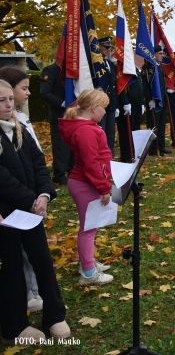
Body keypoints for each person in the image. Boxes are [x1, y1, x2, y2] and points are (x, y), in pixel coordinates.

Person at [0, 79, 70, 343]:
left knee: (42, 260)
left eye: (10, 99)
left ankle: (54, 315)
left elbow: (39, 163)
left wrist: (43, 194)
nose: (9, 104)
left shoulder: (20, 128)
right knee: (12, 267)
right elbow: (3, 178)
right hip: (6, 215)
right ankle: (15, 326)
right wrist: (31, 199)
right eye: (2, 100)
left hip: (31, 212)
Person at [58, 89, 115, 285]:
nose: (105, 112)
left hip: (85, 181)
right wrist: (103, 187)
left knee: (91, 225)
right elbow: (92, 163)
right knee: (88, 228)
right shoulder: (86, 131)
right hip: (86, 184)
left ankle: (88, 262)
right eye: (103, 108)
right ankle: (89, 272)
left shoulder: (87, 127)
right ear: (92, 109)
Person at [39, 63, 73, 183]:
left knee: (73, 143)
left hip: (74, 113)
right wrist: (62, 103)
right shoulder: (51, 70)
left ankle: (72, 171)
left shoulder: (73, 67)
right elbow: (45, 92)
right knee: (60, 145)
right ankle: (59, 174)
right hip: (59, 113)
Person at [142, 46, 172, 156]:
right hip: (153, 101)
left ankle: (161, 146)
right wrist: (150, 99)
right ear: (154, 54)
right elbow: (146, 85)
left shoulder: (159, 66)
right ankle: (153, 149)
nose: (162, 55)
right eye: (160, 53)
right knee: (153, 125)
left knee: (161, 125)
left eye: (163, 53)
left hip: (162, 100)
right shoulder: (148, 67)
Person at [97, 36, 119, 153]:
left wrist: (115, 105)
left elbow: (113, 85)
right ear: (98, 47)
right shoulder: (95, 64)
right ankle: (102, 155)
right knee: (102, 132)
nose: (108, 50)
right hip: (99, 104)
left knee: (110, 132)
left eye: (109, 48)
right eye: (105, 47)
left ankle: (110, 156)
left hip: (110, 104)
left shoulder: (110, 64)